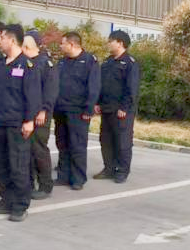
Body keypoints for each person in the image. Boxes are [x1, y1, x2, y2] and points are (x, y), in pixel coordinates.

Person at [0, 24, 42, 222]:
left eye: (2, 38)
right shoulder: (0, 64)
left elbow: (33, 96)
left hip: (17, 124)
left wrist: (29, 121)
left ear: (11, 40)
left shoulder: (27, 65)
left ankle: (20, 205)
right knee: (1, 165)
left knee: (18, 166)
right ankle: (6, 200)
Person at [54, 31, 100, 190]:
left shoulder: (89, 61)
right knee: (62, 144)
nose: (60, 46)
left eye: (63, 43)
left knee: (77, 145)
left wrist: (89, 109)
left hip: (78, 111)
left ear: (72, 44)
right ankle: (63, 176)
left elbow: (94, 86)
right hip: (61, 110)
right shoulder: (62, 62)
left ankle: (78, 179)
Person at [95, 30, 140, 184]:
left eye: (111, 41)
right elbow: (101, 84)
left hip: (121, 110)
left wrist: (124, 108)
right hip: (107, 108)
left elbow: (131, 88)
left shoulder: (130, 63)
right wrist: (97, 102)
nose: (108, 44)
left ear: (120, 43)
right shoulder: (107, 62)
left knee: (122, 142)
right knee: (106, 140)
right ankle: (109, 168)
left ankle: (122, 171)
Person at [23, 30, 59, 199]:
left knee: (39, 149)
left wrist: (44, 110)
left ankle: (45, 185)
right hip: (27, 113)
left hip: (40, 114)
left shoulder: (45, 64)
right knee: (27, 150)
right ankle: (29, 184)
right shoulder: (25, 62)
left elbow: (50, 90)